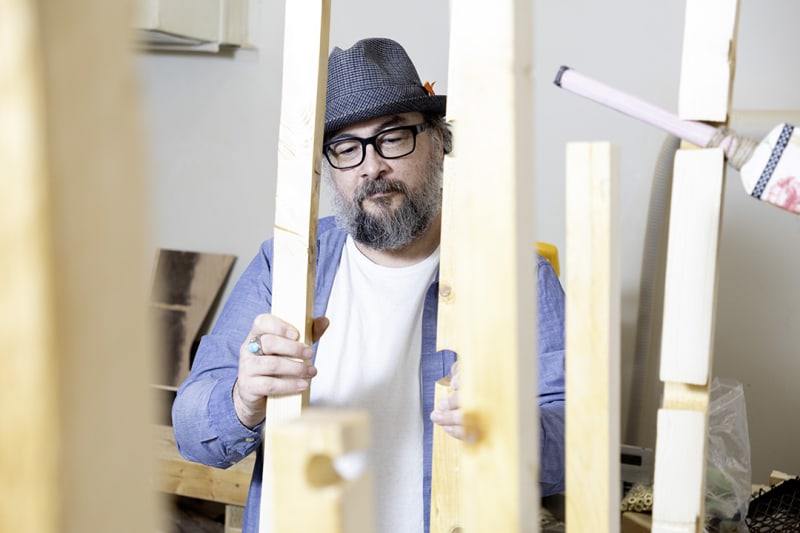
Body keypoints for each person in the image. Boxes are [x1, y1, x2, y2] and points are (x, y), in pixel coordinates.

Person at [172, 37, 565, 533]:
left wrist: (513, 427)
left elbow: (579, 441)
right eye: (345, 148)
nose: (371, 166)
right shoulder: (288, 264)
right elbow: (190, 428)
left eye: (393, 137)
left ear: (439, 143)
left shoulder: (515, 275)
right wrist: (242, 399)